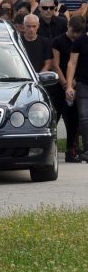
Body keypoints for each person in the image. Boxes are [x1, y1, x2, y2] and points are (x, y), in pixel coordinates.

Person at [52, 15, 86, 162]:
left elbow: (81, 65)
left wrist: (73, 84)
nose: (75, 35)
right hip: (60, 85)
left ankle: (71, 150)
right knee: (55, 117)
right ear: (68, 26)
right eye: (73, 31)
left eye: (79, 32)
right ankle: (51, 148)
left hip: (76, 83)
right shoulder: (58, 41)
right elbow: (56, 65)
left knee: (74, 120)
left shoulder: (82, 41)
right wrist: (66, 84)